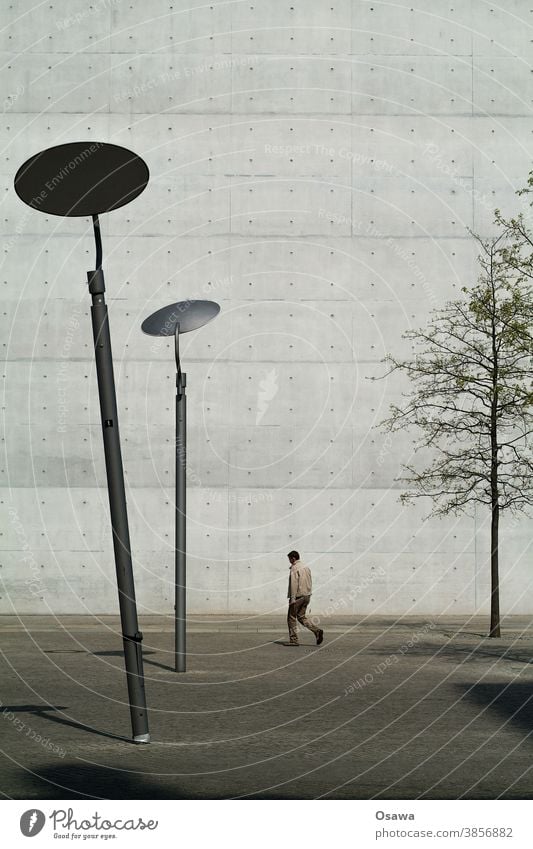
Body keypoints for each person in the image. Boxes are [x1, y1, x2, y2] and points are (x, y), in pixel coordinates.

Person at [286, 550, 324, 646]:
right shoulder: (306, 567)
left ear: (293, 558)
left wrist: (293, 598)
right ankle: (317, 631)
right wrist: (309, 593)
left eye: (289, 559)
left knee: (291, 618)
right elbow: (310, 580)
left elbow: (294, 584)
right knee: (301, 617)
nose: (289, 561)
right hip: (307, 595)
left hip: (298, 596)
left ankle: (294, 640)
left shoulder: (294, 568)